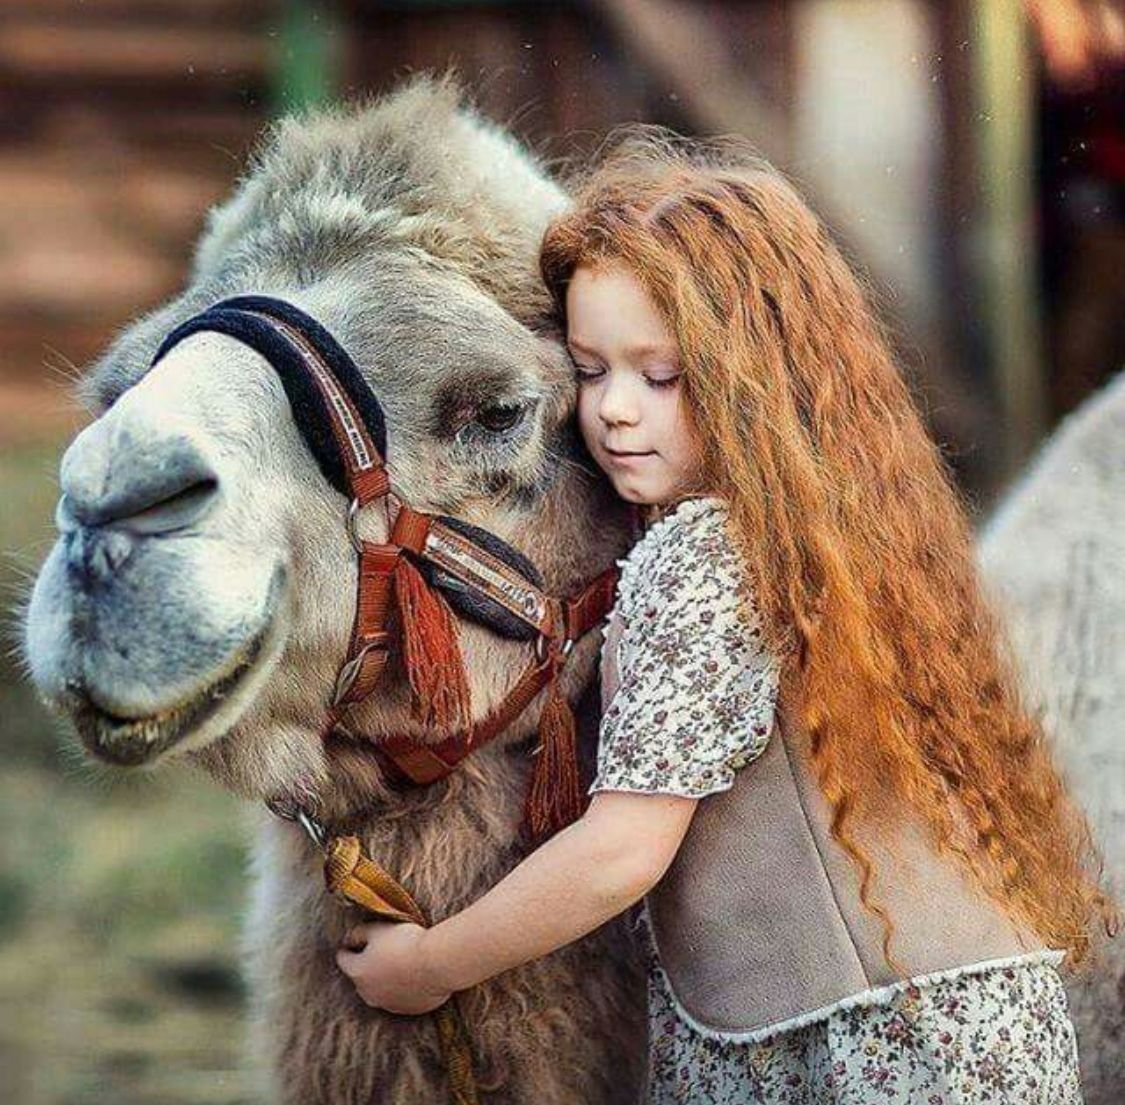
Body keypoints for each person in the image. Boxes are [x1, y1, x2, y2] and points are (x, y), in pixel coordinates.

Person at [335, 132, 1114, 1103]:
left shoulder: (699, 560)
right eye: (592, 368)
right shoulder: (819, 528)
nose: (616, 410)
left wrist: (437, 962)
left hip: (869, 1046)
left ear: (757, 380)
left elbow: (622, 849)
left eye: (662, 376)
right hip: (965, 1025)